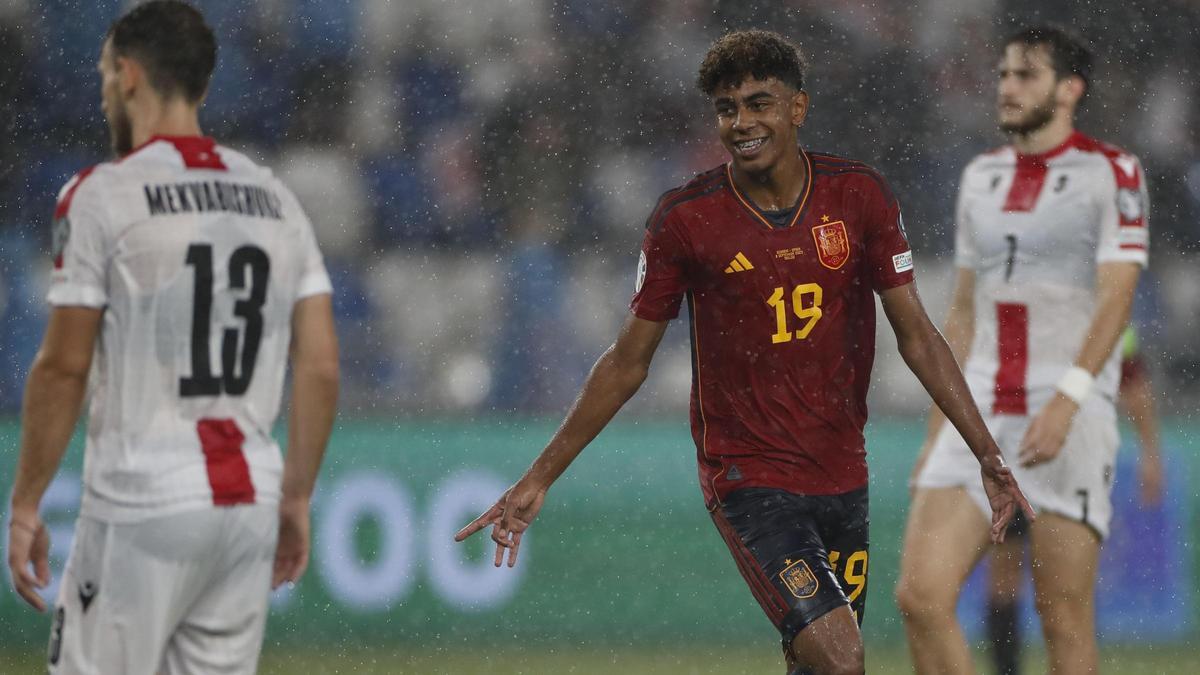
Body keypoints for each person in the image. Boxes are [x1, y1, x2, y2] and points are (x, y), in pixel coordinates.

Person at [457, 29, 1031, 675]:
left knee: (813, 666)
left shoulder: (859, 197)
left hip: (844, 472)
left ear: (798, 108)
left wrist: (987, 452)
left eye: (759, 103)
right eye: (728, 109)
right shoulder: (685, 218)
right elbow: (626, 361)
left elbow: (919, 337)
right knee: (843, 659)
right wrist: (538, 476)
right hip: (750, 479)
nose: (742, 122)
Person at [4, 2, 339, 673]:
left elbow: (65, 366)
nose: (104, 95)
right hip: (246, 505)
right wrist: (297, 493)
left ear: (128, 76)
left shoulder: (103, 194)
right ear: (204, 86)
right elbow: (322, 366)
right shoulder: (276, 198)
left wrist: (25, 502)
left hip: (142, 499)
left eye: (105, 77)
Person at [899, 26, 1148, 674]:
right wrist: (937, 429)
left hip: (1068, 410)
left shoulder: (1112, 172)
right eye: (1004, 74)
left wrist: (1068, 400)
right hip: (980, 406)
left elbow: (1117, 296)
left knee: (1064, 621)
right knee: (921, 596)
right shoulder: (980, 176)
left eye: (1027, 74)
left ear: (1071, 89)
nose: (1008, 87)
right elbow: (961, 311)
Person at [982, 326, 1163, 675]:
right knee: (1007, 574)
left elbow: (1132, 376)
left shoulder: (1103, 301)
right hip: (1017, 442)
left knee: (1063, 595)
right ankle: (1008, 670)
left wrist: (1151, 452)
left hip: (1073, 450)